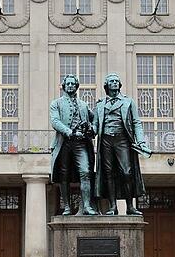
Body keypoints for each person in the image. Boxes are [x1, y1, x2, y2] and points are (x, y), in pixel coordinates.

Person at [94, 73, 150, 215]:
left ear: (120, 85)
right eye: (111, 81)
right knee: (109, 173)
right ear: (106, 86)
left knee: (126, 172)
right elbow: (95, 125)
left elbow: (136, 122)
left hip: (122, 140)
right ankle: (113, 207)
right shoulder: (100, 104)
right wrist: (89, 130)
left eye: (116, 81)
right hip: (106, 140)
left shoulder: (128, 102)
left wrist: (141, 141)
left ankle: (130, 206)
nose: (114, 83)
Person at [50, 74, 97, 215]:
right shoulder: (56, 103)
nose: (70, 86)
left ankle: (87, 206)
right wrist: (69, 132)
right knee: (64, 175)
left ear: (76, 86)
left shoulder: (84, 105)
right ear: (64, 86)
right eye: (68, 84)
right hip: (64, 143)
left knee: (85, 172)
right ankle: (67, 207)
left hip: (81, 143)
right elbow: (55, 121)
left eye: (73, 84)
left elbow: (95, 120)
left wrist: (92, 129)